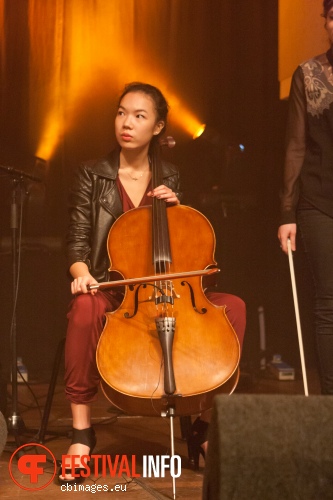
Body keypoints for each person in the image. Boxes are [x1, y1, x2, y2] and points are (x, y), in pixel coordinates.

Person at [60, 82, 246, 483]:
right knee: (83, 310)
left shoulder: (172, 175)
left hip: (168, 289)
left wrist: (179, 211)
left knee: (233, 308)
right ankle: (81, 432)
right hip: (111, 291)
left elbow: (186, 249)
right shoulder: (92, 174)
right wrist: (83, 277)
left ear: (159, 127)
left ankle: (202, 423)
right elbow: (76, 242)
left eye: (139, 116)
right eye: (121, 112)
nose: (127, 123)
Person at [278, 0, 333, 396]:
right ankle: (330, 403)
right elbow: (295, 146)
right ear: (326, 22)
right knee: (329, 306)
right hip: (319, 201)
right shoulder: (309, 74)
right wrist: (287, 211)